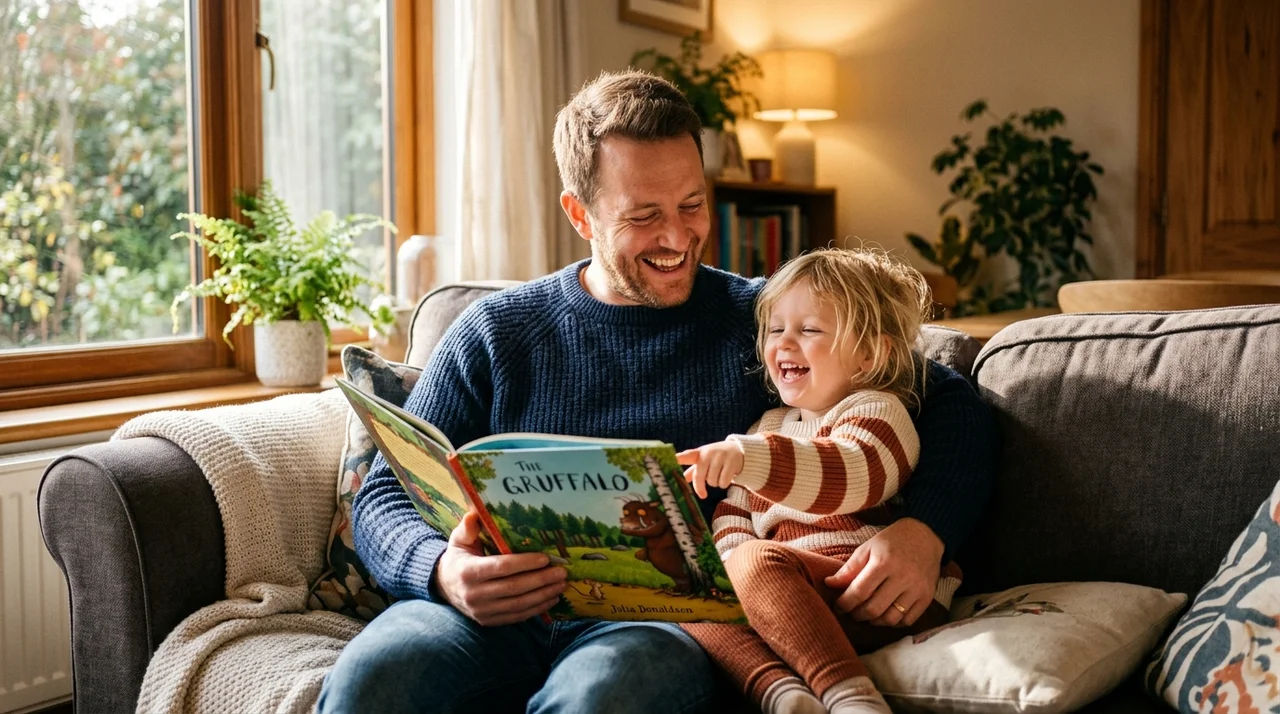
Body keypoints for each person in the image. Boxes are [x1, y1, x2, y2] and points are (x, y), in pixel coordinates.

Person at [318, 69, 997, 714]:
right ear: (579, 214)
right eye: (644, 215)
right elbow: (384, 493)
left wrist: (926, 531)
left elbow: (950, 400)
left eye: (693, 204)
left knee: (604, 696)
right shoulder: (496, 333)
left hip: (657, 624)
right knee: (374, 680)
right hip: (482, 611)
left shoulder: (764, 324)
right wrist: (442, 572)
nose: (678, 237)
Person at [678, 249, 960, 714]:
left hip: (873, 589)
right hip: (786, 591)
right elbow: (735, 515)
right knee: (690, 596)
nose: (785, 343)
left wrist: (748, 458)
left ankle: (851, 697)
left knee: (755, 561)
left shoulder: (877, 411)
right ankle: (783, 696)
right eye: (775, 330)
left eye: (809, 330)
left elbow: (847, 474)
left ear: (870, 354)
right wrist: (728, 579)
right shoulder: (768, 425)